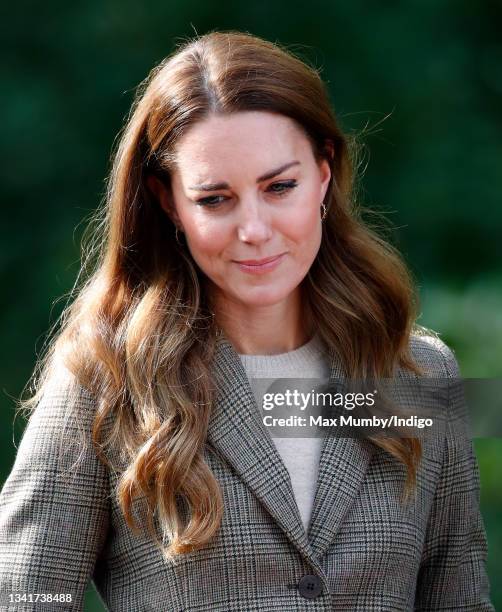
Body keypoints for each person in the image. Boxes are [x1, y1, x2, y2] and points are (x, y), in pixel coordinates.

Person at [0, 30, 494, 611]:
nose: (254, 229)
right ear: (169, 204)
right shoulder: (105, 381)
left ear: (324, 173)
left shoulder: (422, 373)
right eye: (215, 199)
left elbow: (459, 596)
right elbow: (25, 595)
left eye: (279, 187)